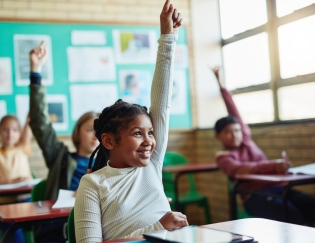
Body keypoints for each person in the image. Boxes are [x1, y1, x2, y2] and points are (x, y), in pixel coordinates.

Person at [74, 1, 187, 242]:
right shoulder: (93, 184)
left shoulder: (151, 166)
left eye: (150, 133)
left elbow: (162, 104)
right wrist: (159, 227)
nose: (149, 141)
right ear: (109, 140)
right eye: (137, 133)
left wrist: (168, 37)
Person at [212, 67, 315, 225]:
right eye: (228, 132)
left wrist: (221, 83)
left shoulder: (245, 140)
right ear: (218, 136)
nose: (235, 135)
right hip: (256, 197)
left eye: (237, 130)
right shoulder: (223, 158)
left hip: (279, 189)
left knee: (310, 205)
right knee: (293, 216)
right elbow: (243, 169)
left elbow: (233, 110)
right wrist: (273, 166)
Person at [29, 41, 100, 242]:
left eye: (100, 131)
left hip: (94, 228)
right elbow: (40, 122)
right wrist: (36, 71)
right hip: (58, 228)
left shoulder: (109, 165)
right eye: (89, 130)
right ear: (77, 133)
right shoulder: (59, 157)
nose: (96, 136)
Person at [0, 114, 32, 243]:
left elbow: (28, 125)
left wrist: (29, 117)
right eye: (5, 129)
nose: (10, 133)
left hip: (25, 200)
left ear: (20, 132)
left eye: (15, 130)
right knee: (15, 234)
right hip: (4, 204)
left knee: (41, 226)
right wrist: (14, 181)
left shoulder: (22, 147)